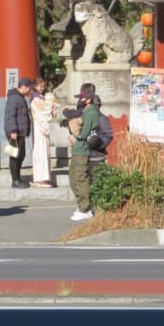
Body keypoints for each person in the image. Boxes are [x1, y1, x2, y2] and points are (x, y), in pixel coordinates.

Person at [66, 83, 101, 221]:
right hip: (78, 149)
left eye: (83, 97)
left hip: (83, 149)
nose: (80, 99)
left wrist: (75, 131)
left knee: (80, 179)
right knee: (74, 178)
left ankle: (85, 208)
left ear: (89, 98)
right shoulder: (87, 112)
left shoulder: (91, 113)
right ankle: (81, 205)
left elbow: (84, 133)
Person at [3, 77, 33, 188]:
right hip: (16, 132)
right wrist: (13, 130)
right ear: (24, 86)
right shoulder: (14, 98)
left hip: (20, 132)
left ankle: (17, 178)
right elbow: (10, 115)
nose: (30, 91)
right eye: (29, 88)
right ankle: (15, 180)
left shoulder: (19, 97)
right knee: (15, 155)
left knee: (21, 155)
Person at [29, 78, 58, 188]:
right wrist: (50, 104)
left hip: (41, 126)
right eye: (40, 86)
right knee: (40, 151)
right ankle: (40, 178)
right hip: (39, 126)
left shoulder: (39, 98)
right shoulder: (35, 99)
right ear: (35, 86)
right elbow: (42, 113)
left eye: (43, 86)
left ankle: (44, 177)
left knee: (43, 151)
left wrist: (51, 106)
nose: (42, 88)